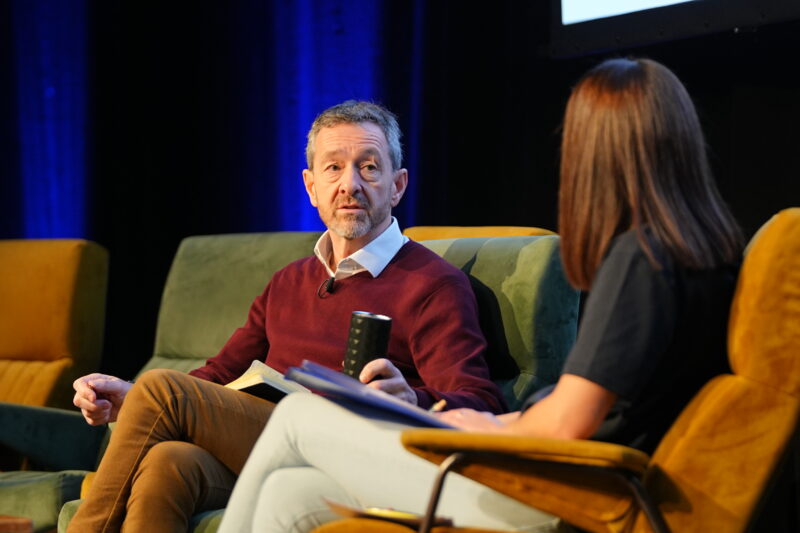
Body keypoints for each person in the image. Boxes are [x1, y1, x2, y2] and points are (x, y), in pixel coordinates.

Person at [218, 57, 744, 532]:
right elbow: (604, 405)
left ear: (597, 152)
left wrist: (481, 431)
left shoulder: (642, 259)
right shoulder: (705, 250)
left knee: (299, 417)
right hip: (573, 476)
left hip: (563, 492)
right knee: (289, 493)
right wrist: (487, 421)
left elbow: (569, 423)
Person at [68, 100, 507, 533]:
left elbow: (482, 402)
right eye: (333, 168)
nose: (350, 184)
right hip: (269, 449)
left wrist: (412, 401)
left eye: (369, 167)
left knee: (160, 388)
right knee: (168, 462)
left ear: (397, 185)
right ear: (311, 186)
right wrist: (133, 399)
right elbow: (221, 373)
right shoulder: (289, 280)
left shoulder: (433, 283)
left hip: (355, 456)